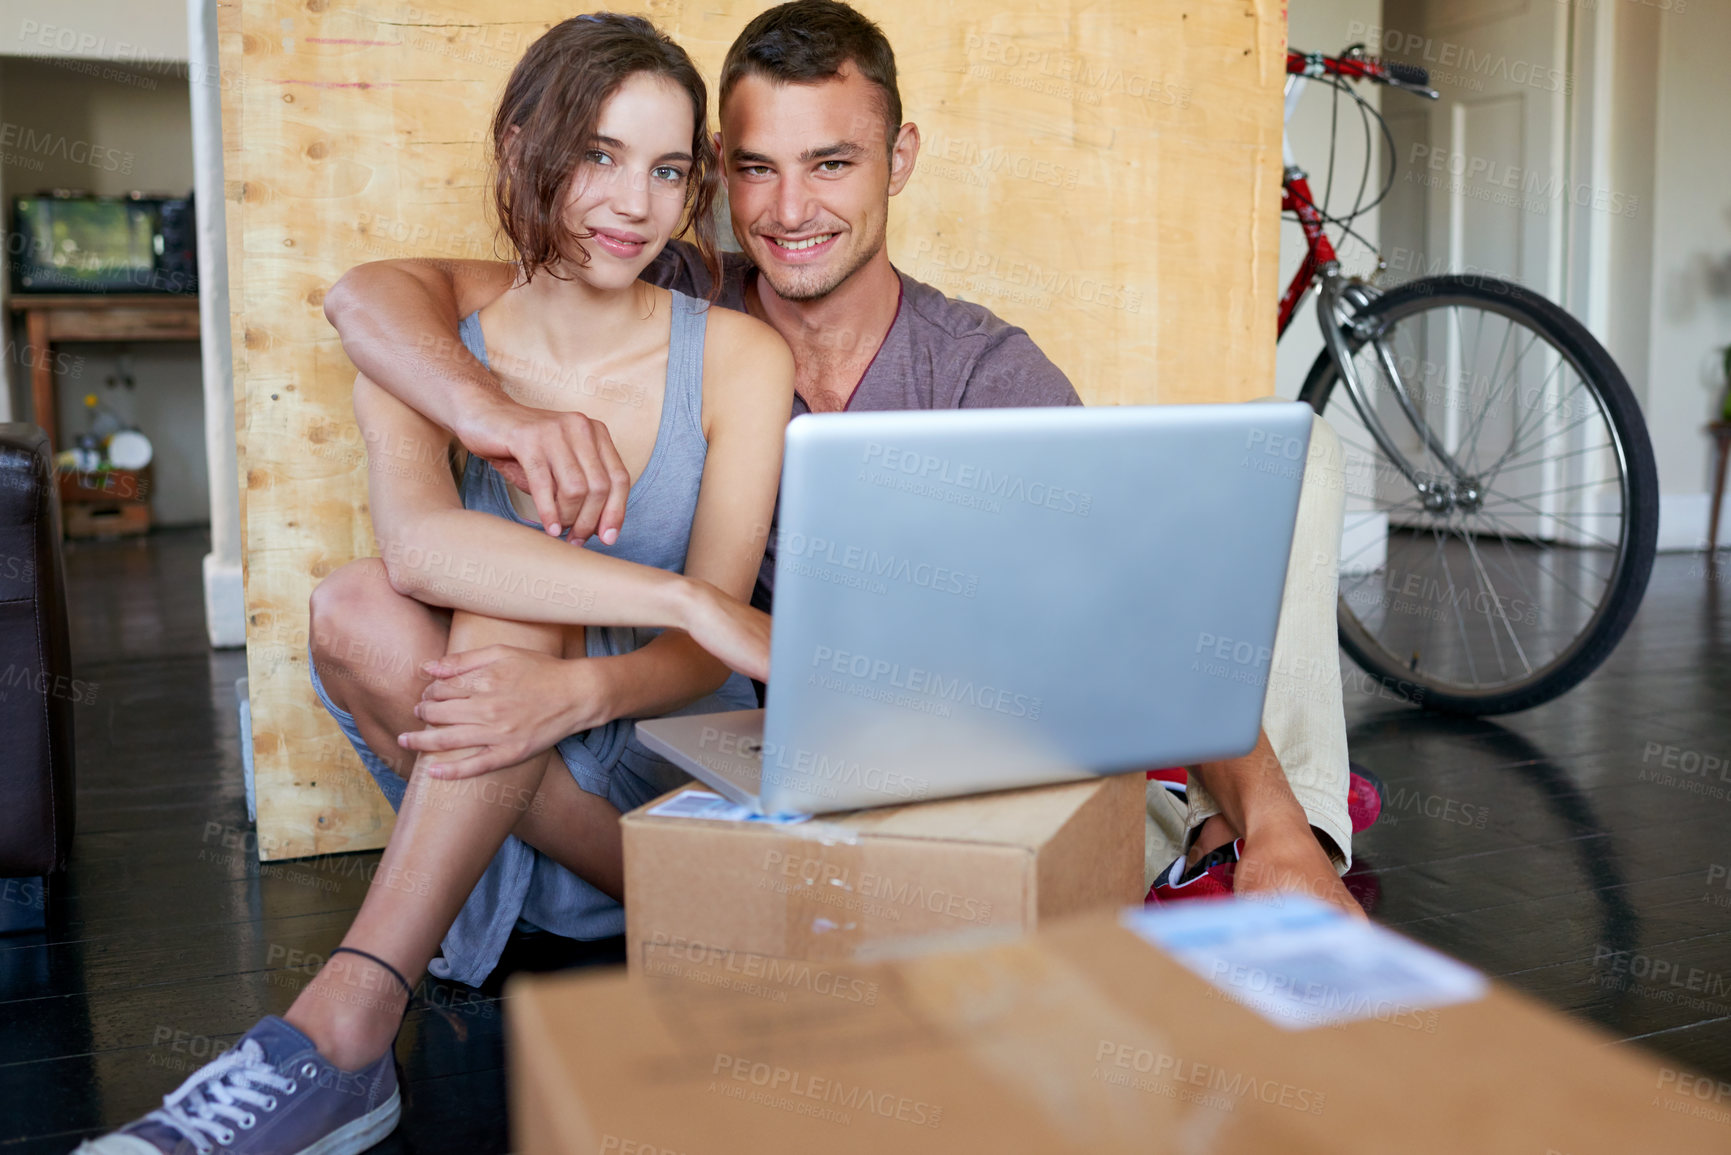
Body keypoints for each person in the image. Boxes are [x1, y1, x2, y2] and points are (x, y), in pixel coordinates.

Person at [323, 0, 1364, 920]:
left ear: (898, 160)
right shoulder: (667, 286)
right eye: (755, 169)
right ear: (717, 173)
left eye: (832, 163)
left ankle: (1252, 837)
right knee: (409, 604)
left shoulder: (979, 370)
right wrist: (491, 413)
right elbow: (375, 293)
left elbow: (1129, 593)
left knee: (1288, 479)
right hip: (765, 733)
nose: (788, 213)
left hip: (960, 722)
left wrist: (1279, 830)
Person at [79, 15, 792, 1154]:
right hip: (491, 749)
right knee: (361, 603)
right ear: (521, 149)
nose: (633, 203)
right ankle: (377, 1007)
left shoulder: (742, 357)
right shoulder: (433, 348)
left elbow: (703, 665)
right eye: (598, 155)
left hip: (649, 779)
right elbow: (417, 552)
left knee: (512, 596)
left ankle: (344, 1033)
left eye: (666, 170)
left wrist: (591, 690)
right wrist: (684, 595)